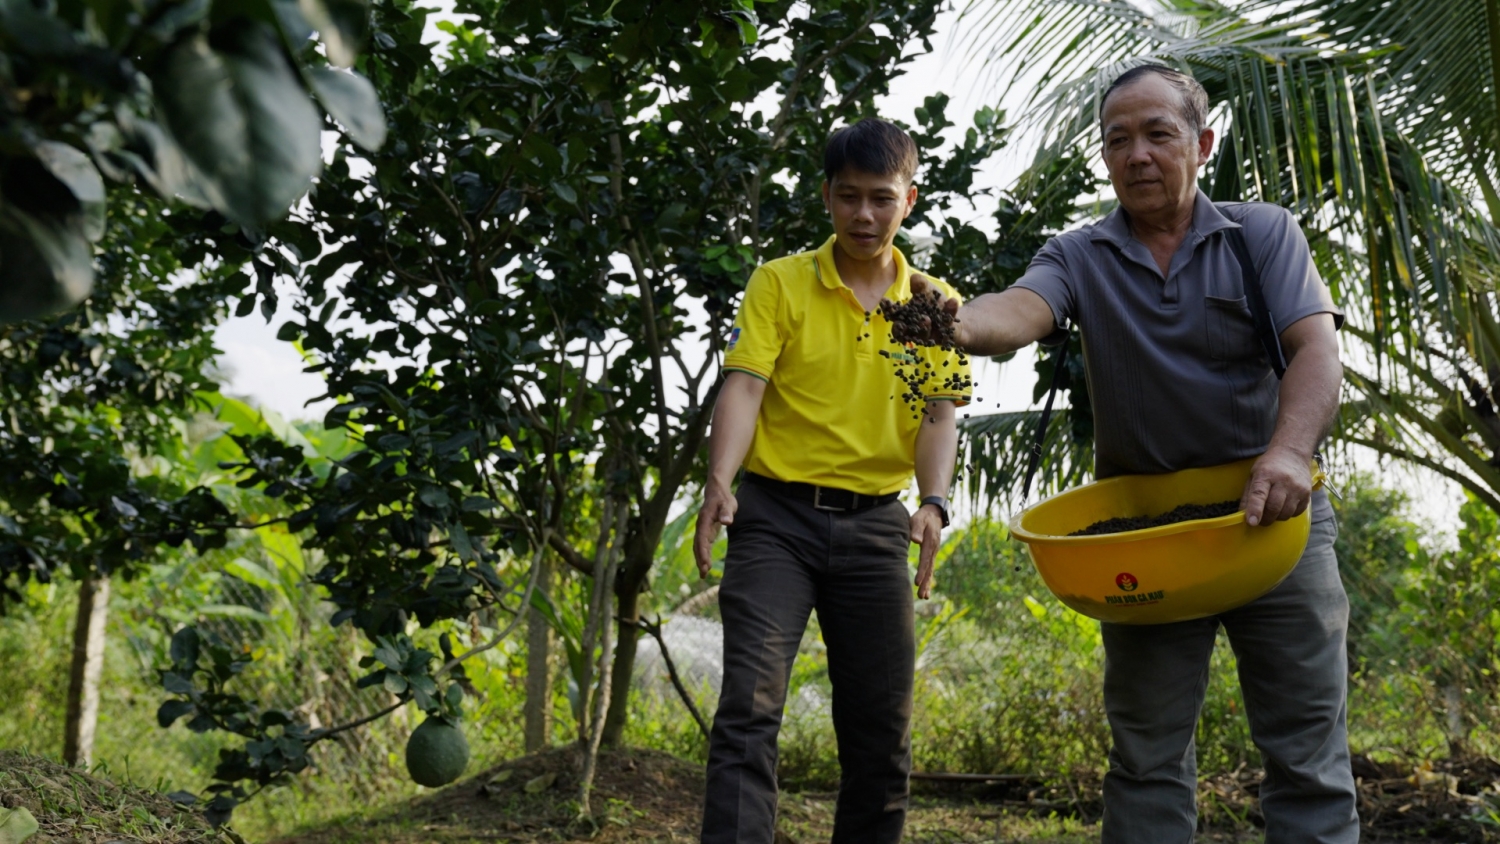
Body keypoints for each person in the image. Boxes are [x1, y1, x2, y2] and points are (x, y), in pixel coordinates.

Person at [908, 66, 1354, 843]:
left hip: (1274, 518)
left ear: (1202, 143)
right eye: (1119, 140)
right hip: (1147, 539)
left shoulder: (1263, 234)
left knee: (1308, 758)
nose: (1137, 154)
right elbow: (1021, 309)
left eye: (1159, 134)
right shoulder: (1079, 255)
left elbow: (1315, 349)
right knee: (1145, 759)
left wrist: (1288, 454)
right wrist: (956, 321)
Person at [692, 117, 971, 844]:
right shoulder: (781, 282)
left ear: (909, 199)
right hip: (774, 522)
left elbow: (938, 415)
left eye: (881, 198)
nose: (864, 215)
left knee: (881, 731)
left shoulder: (930, 305)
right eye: (848, 197)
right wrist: (720, 481)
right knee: (748, 712)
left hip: (877, 526)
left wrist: (934, 503)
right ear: (826, 197)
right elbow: (745, 387)